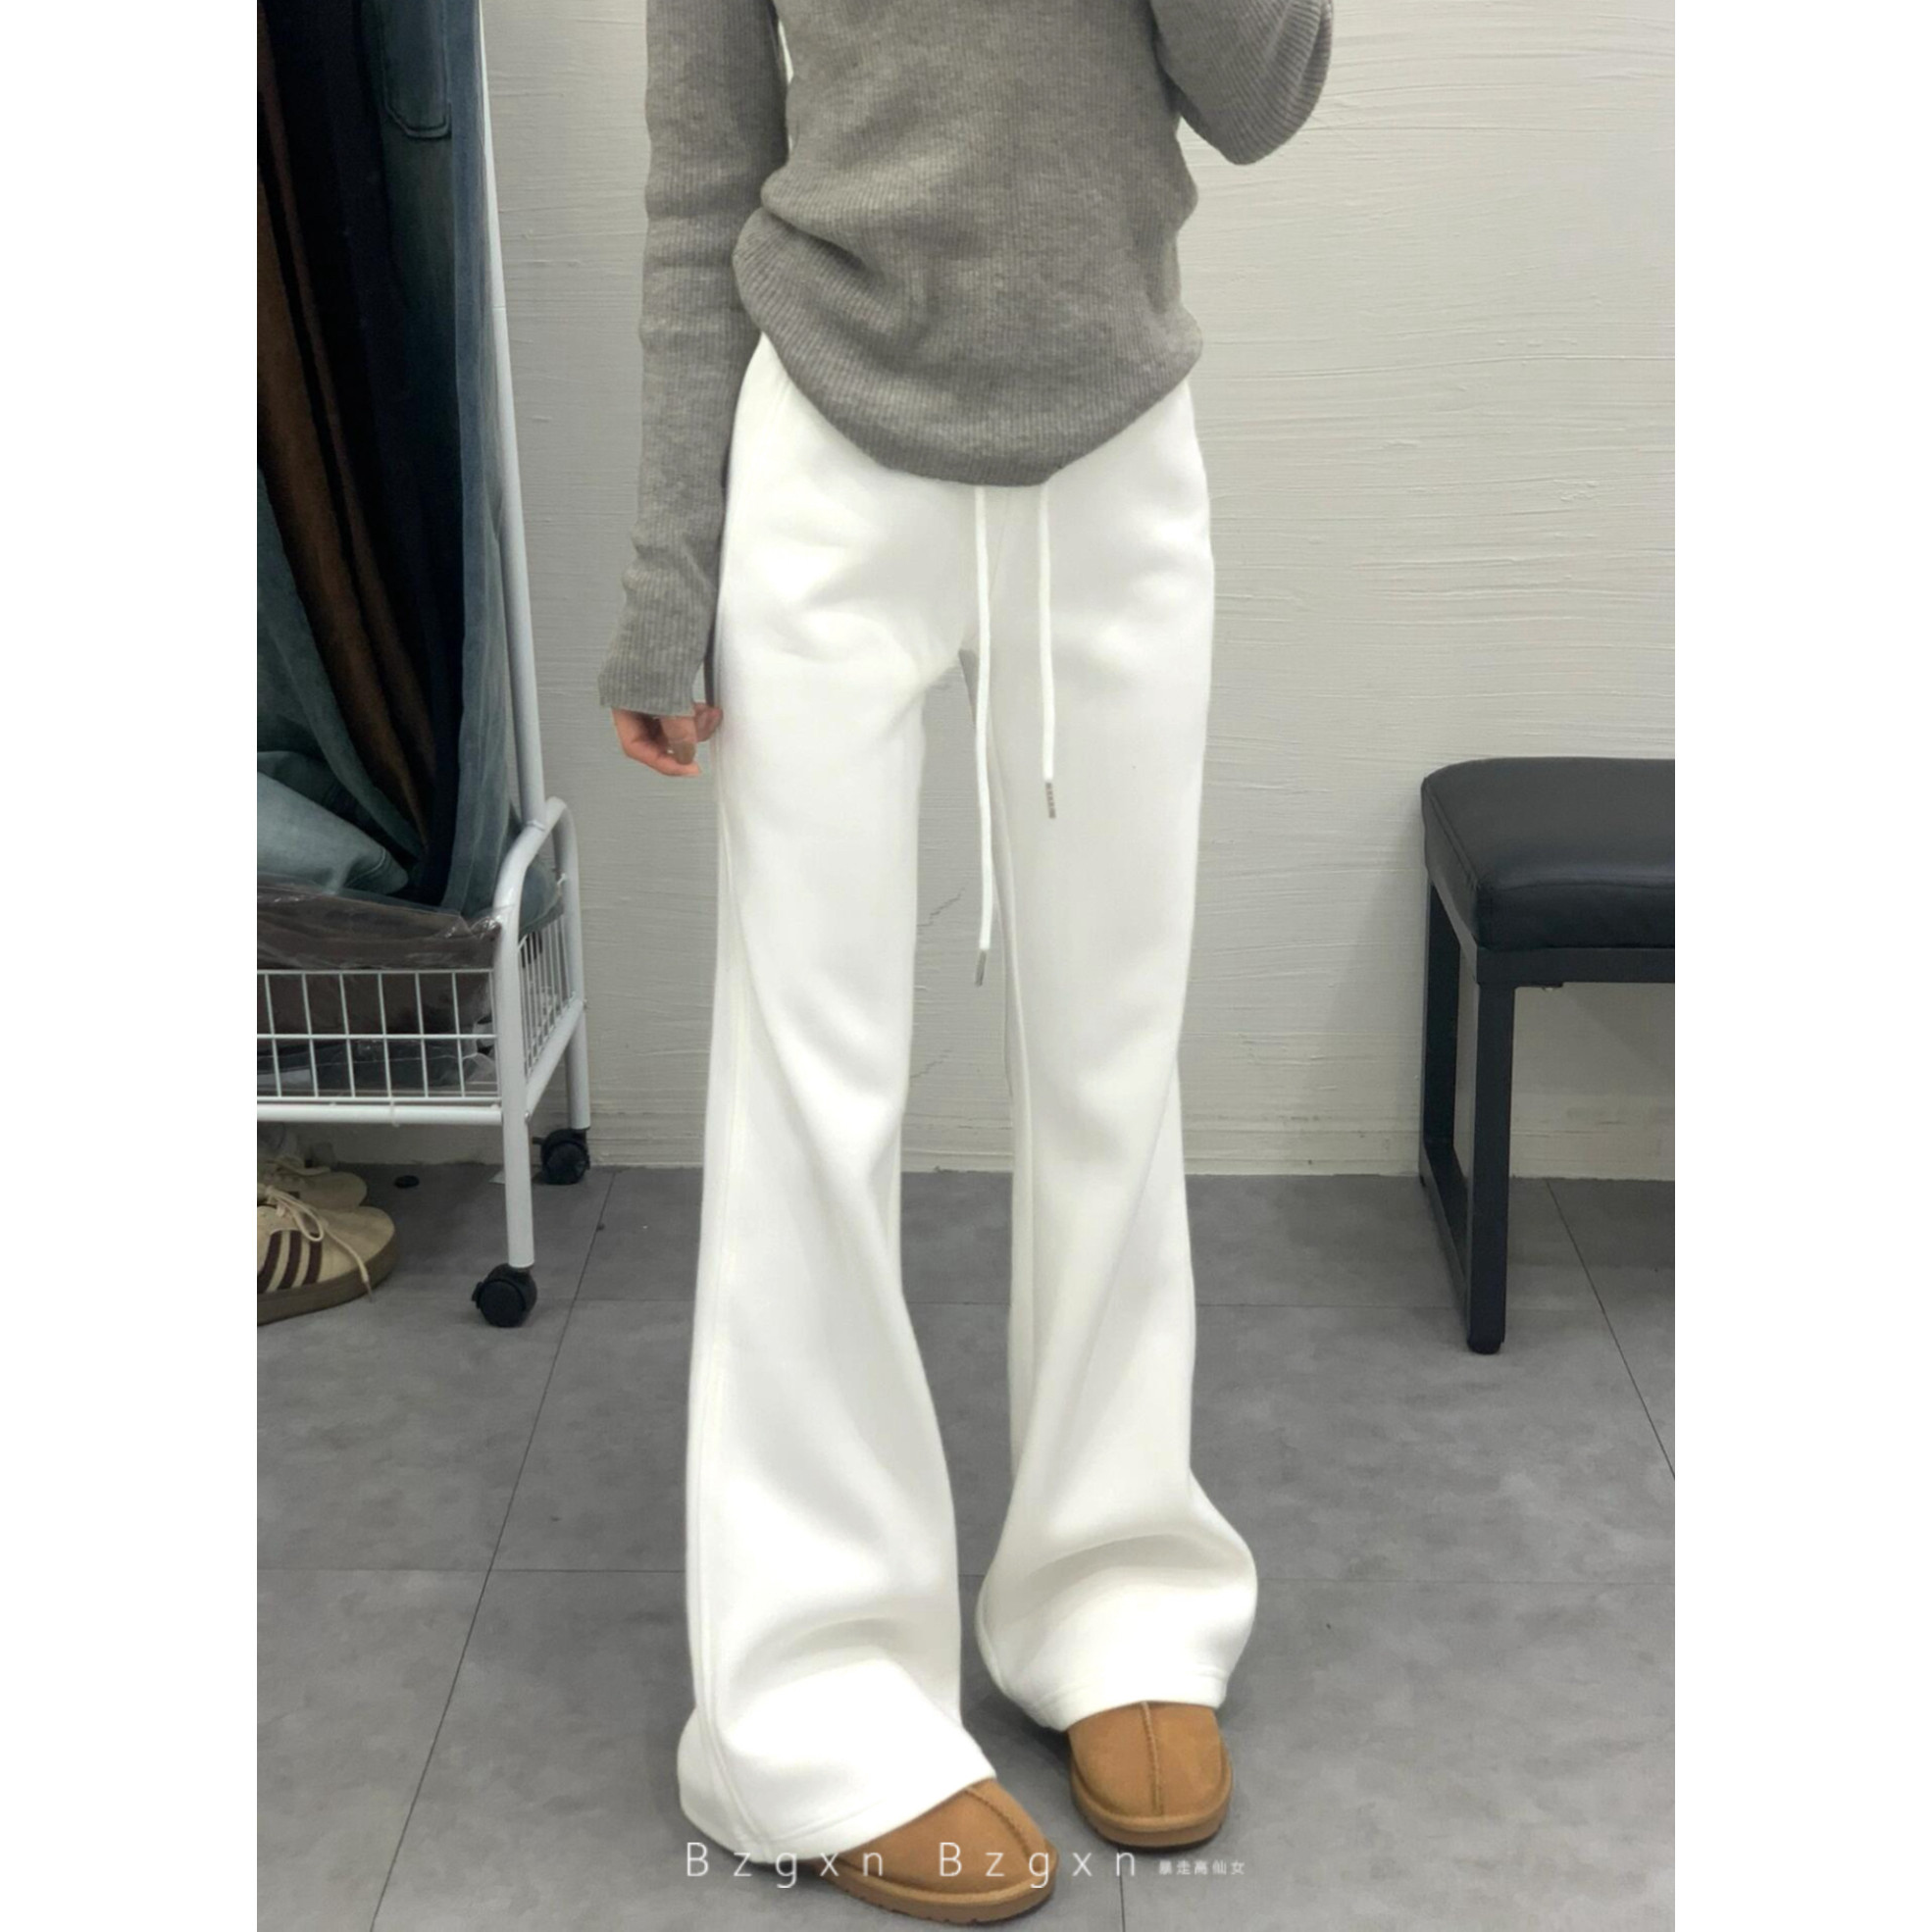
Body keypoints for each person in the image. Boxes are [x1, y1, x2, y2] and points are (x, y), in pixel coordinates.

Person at [602, 2, 1332, 1919]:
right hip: (823, 453)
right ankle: (803, 1704)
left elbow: (1263, 98)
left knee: (1111, 1059)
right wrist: (669, 570)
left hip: (1115, 446)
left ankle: (1117, 1592)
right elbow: (699, 179)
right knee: (810, 1084)